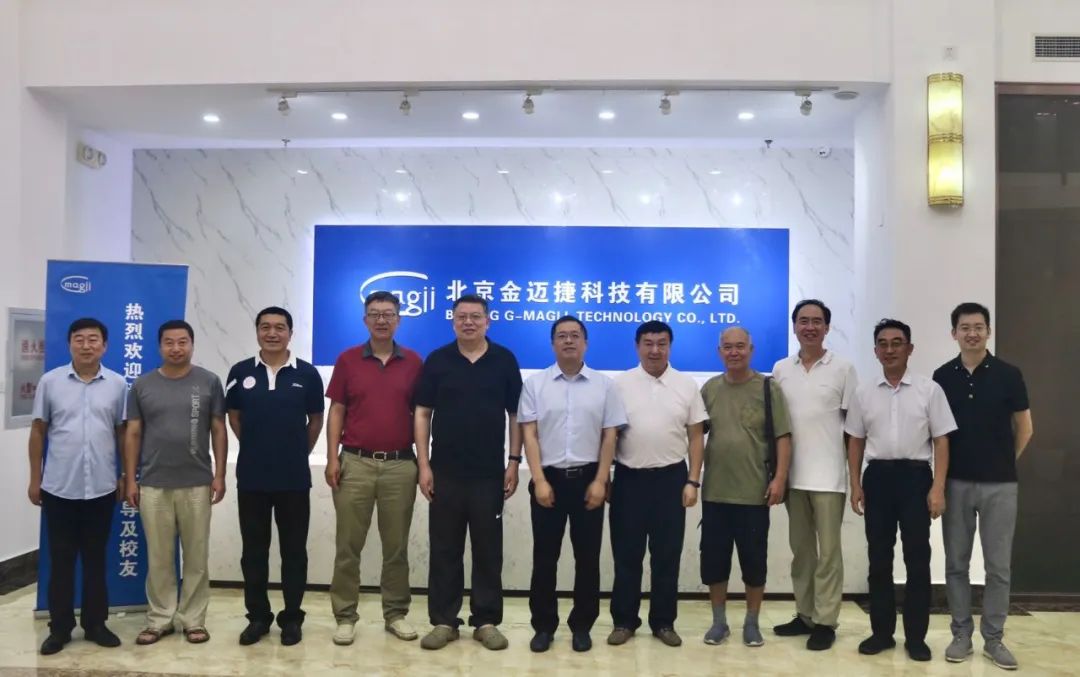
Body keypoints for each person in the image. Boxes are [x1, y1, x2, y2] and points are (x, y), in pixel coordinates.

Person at [414, 294, 523, 651]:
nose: (469, 322)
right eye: (462, 317)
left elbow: (515, 415)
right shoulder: (438, 360)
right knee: (444, 548)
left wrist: (513, 461)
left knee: (488, 550)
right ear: (453, 321)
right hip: (444, 472)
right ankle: (444, 621)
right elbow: (422, 413)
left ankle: (486, 621)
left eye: (476, 316)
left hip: (489, 474)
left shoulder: (504, 360)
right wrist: (424, 465)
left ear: (488, 321)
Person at [846, 318, 956, 662]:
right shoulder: (864, 392)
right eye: (883, 343)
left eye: (897, 343)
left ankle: (916, 637)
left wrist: (938, 487)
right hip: (877, 479)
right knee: (879, 558)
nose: (890, 349)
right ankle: (881, 632)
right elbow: (855, 440)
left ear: (910, 348)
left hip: (915, 479)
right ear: (875, 350)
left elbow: (941, 440)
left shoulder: (929, 390)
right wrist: (855, 483)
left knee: (917, 559)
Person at [933, 302, 1032, 671]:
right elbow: (938, 435)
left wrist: (1005, 461)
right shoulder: (942, 376)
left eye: (978, 327)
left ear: (988, 331)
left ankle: (994, 639)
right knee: (956, 564)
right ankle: (961, 634)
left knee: (998, 567)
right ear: (954, 333)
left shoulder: (1009, 374)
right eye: (964, 327)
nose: (971, 333)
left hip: (1000, 486)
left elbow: (1025, 428)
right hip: (955, 483)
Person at [519, 316, 626, 653]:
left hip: (588, 480)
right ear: (553, 343)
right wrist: (538, 480)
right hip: (547, 479)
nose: (568, 341)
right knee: (544, 559)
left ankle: (582, 626)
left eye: (575, 336)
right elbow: (530, 435)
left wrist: (600, 480)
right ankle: (543, 626)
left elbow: (610, 436)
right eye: (562, 336)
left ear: (585, 343)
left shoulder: (604, 385)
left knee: (588, 559)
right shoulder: (535, 384)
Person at [325, 291, 423, 645]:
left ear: (399, 319)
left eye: (389, 314)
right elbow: (337, 410)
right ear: (365, 319)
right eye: (375, 313)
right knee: (348, 546)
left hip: (400, 465)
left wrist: (424, 462)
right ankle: (345, 616)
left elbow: (422, 415)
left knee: (396, 547)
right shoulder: (348, 359)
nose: (382, 320)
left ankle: (395, 614)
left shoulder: (414, 362)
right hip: (355, 462)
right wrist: (332, 457)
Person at [124, 320, 227, 646]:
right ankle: (159, 619)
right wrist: (131, 479)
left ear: (192, 345)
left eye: (183, 342)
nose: (176, 348)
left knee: (196, 557)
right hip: (153, 483)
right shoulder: (142, 385)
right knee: (158, 557)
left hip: (197, 482)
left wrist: (220, 474)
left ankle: (194, 620)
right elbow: (133, 433)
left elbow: (218, 429)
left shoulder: (209, 381)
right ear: (159, 346)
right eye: (169, 342)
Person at [225, 307, 324, 646]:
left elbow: (315, 420)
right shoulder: (240, 371)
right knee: (254, 551)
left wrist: (297, 451)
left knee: (294, 551)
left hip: (293, 478)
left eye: (279, 327)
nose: (272, 333)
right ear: (257, 332)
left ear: (290, 333)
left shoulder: (307, 374)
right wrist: (255, 447)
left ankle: (292, 618)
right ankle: (258, 617)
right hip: (252, 477)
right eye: (265, 327)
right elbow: (234, 417)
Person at [28, 318, 127, 655]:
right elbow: (38, 431)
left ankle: (96, 624)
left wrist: (124, 475)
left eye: (93, 339)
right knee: (62, 561)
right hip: (59, 487)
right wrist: (35, 478)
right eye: (79, 339)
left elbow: (122, 434)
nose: (86, 345)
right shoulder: (50, 381)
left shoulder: (117, 384)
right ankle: (59, 629)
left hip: (101, 488)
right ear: (70, 343)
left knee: (97, 560)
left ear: (105, 345)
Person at [608, 321, 706, 648]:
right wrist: (604, 477)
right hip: (628, 480)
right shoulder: (619, 385)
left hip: (671, 480)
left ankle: (663, 622)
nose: (655, 350)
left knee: (666, 556)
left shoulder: (686, 385)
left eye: (661, 343)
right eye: (648, 343)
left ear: (670, 346)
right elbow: (609, 435)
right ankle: (624, 621)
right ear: (637, 346)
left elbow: (696, 436)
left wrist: (693, 480)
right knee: (626, 555)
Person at [770, 300, 858, 651]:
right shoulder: (781, 369)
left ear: (827, 327)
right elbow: (777, 427)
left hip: (829, 478)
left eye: (817, 321)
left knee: (829, 555)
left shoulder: (844, 368)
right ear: (794, 327)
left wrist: (854, 478)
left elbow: (853, 430)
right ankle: (805, 615)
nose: (810, 327)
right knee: (802, 553)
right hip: (793, 478)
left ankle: (825, 621)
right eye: (803, 321)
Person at [699, 327, 792, 648]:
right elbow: (695, 435)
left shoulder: (767, 388)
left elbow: (783, 436)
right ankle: (719, 622)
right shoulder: (710, 389)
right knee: (714, 562)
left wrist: (780, 478)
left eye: (740, 346)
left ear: (751, 350)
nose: (734, 352)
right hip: (715, 492)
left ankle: (752, 623)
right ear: (719, 352)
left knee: (754, 562)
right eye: (727, 347)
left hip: (754, 493)